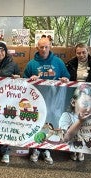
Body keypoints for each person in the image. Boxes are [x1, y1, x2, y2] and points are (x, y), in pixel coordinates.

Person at [23, 37, 70, 165]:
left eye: (46, 47)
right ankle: (36, 149)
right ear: (37, 48)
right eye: (41, 47)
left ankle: (47, 150)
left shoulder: (58, 62)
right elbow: (23, 81)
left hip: (54, 101)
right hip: (36, 101)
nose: (43, 49)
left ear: (50, 47)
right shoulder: (31, 64)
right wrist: (30, 80)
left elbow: (67, 76)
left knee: (51, 124)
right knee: (37, 124)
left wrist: (65, 79)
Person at [59, 84, 91, 161]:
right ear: (73, 102)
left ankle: (80, 152)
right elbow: (66, 138)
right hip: (71, 144)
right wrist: (80, 121)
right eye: (85, 104)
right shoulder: (67, 116)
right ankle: (73, 151)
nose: (89, 109)